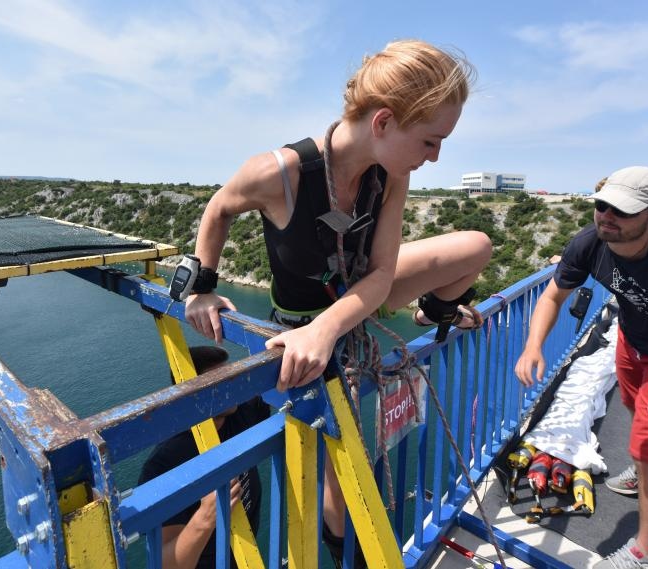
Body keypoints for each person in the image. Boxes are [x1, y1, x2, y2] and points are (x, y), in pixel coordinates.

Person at [184, 39, 492, 567]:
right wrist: (202, 285)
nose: (435, 156)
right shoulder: (279, 173)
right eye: (430, 140)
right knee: (339, 473)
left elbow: (382, 272)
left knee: (477, 247)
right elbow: (219, 208)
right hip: (302, 316)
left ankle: (434, 312)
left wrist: (328, 329)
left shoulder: (391, 174)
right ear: (383, 122)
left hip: (359, 296)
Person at [514, 166, 648, 569]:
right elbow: (552, 296)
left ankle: (647, 555)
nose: (607, 217)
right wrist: (533, 346)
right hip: (632, 343)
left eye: (623, 210)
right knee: (635, 416)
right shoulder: (591, 241)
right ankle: (642, 464)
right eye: (602, 206)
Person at [138, 345, 270, 569]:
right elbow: (165, 564)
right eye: (219, 383)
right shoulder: (165, 464)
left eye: (230, 377)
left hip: (247, 555)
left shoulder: (239, 412)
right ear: (190, 396)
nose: (231, 388)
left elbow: (273, 379)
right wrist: (205, 518)